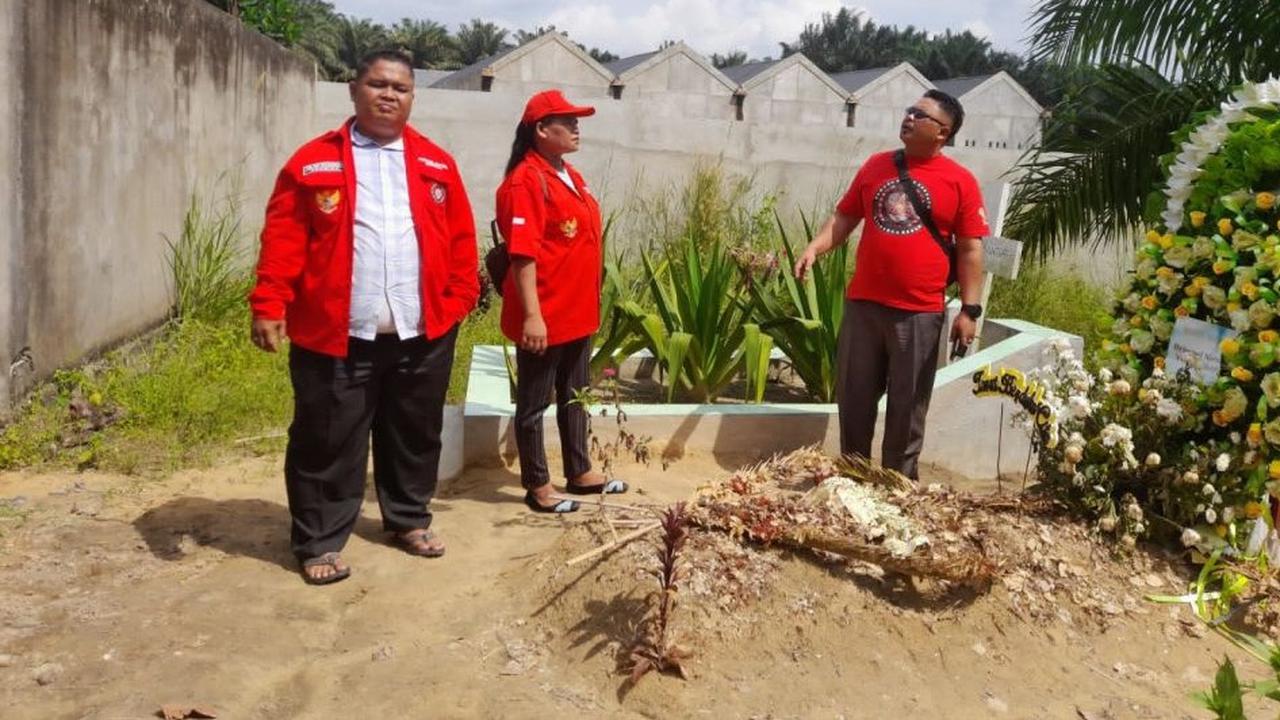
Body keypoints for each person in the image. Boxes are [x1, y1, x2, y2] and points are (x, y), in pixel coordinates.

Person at [249, 50, 479, 584]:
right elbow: (283, 241)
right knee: (326, 438)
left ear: (412, 97)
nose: (388, 95)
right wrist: (269, 304)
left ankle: (407, 520)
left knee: (414, 433)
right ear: (354, 90)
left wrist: (458, 300)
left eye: (400, 87)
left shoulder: (437, 164)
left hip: (421, 332)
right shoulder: (312, 163)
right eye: (377, 84)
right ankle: (319, 542)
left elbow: (462, 241)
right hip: (336, 337)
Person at [794, 89, 988, 480]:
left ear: (942, 132)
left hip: (918, 312)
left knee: (907, 406)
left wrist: (969, 310)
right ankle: (853, 477)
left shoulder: (960, 182)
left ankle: (897, 484)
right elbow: (845, 218)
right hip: (864, 305)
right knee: (855, 398)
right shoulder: (875, 166)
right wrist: (815, 247)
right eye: (909, 110)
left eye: (921, 115)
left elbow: (970, 250)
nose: (909, 118)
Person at [496, 89, 627, 514]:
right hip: (545, 316)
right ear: (540, 129)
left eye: (578, 120)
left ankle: (580, 471)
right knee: (534, 404)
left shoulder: (568, 174)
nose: (576, 127)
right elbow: (522, 254)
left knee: (576, 395)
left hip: (576, 313)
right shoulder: (525, 182)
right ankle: (538, 485)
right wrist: (532, 316)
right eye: (566, 121)